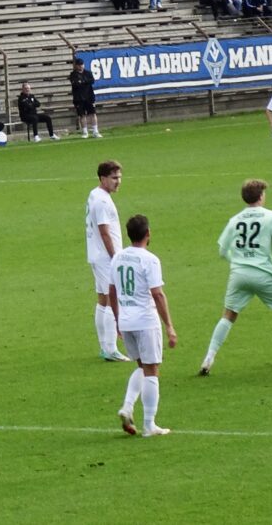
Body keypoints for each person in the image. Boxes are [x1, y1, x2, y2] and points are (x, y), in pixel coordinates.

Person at [199, 179, 272, 375]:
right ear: (261, 196)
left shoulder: (235, 219)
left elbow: (222, 250)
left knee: (228, 316)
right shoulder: (271, 216)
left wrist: (237, 261)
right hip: (263, 274)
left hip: (238, 274)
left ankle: (208, 358)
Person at [112, 214, 176, 438]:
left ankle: (128, 407)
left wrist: (117, 319)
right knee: (152, 370)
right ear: (148, 234)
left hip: (126, 320)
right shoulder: (150, 260)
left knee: (141, 367)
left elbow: (111, 290)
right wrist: (169, 326)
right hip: (146, 321)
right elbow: (157, 294)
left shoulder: (118, 257)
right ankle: (150, 425)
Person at [86, 160, 131, 362]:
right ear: (103, 178)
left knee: (102, 299)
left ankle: (105, 346)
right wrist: (115, 257)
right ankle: (111, 348)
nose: (118, 182)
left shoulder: (95, 194)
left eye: (119, 177)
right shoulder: (102, 201)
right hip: (105, 257)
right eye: (114, 178)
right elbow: (105, 233)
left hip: (96, 255)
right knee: (113, 298)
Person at [69, 55, 99, 139]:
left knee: (93, 113)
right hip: (79, 98)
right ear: (76, 65)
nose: (80, 66)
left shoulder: (88, 73)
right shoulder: (73, 74)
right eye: (79, 65)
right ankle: (85, 132)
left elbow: (91, 81)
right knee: (82, 115)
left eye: (82, 64)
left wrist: (82, 81)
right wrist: (84, 82)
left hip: (89, 96)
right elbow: (76, 84)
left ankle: (95, 131)